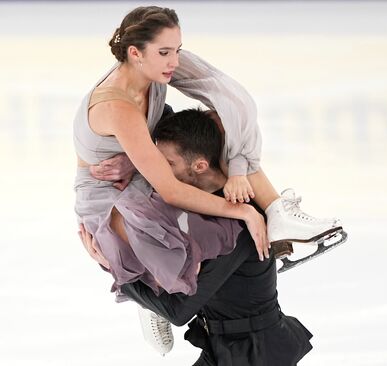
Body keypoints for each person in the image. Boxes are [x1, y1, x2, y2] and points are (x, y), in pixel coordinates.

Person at [74, 5, 342, 295]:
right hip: (112, 198)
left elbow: (237, 103)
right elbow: (171, 191)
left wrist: (238, 168)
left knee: (221, 127)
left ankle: (278, 213)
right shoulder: (117, 106)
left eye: (178, 49)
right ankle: (153, 292)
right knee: (209, 241)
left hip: (139, 173)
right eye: (165, 52)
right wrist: (246, 213)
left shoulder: (155, 67)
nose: (175, 61)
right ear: (135, 53)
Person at [79, 108, 314, 365]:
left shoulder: (239, 227)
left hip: (255, 355)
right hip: (225, 348)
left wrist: (115, 269)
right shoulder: (202, 200)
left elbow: (178, 311)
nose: (158, 172)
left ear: (200, 166)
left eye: (168, 164)